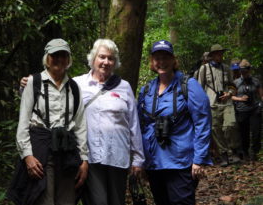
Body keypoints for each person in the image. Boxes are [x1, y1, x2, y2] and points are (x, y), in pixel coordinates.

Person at [20, 39, 145, 205]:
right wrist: (25, 85)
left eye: (110, 58)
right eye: (102, 57)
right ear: (93, 59)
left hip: (117, 156)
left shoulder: (123, 87)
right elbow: (46, 90)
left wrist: (138, 158)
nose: (106, 62)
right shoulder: (79, 83)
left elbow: (133, 125)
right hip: (89, 156)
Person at [8, 39, 88, 205]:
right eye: (55, 55)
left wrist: (84, 160)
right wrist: (27, 155)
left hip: (67, 151)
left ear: (69, 59)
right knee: (43, 198)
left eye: (63, 55)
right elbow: (23, 122)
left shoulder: (74, 87)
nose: (59, 59)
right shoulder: (34, 82)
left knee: (67, 200)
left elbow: (80, 126)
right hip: (41, 150)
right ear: (47, 58)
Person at [138, 40, 212, 205]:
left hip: (181, 162)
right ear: (152, 61)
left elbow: (202, 122)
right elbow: (141, 125)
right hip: (154, 162)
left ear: (173, 60)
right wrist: (140, 160)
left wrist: (199, 159)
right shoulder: (147, 90)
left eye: (166, 57)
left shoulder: (188, 85)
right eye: (157, 58)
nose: (162, 62)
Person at [195, 44, 240, 167]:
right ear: (212, 55)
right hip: (211, 103)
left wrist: (229, 93)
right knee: (216, 129)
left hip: (227, 102)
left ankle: (233, 151)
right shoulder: (204, 69)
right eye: (217, 53)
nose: (220, 55)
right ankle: (224, 154)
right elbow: (199, 88)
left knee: (230, 125)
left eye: (221, 53)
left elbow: (233, 86)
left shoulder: (227, 69)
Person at [231, 59, 263, 161]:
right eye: (242, 71)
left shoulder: (256, 81)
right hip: (242, 110)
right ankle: (245, 153)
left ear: (249, 70)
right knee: (244, 134)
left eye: (246, 71)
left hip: (254, 109)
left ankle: (255, 152)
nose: (244, 73)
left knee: (256, 133)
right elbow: (231, 96)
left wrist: (260, 104)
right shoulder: (236, 82)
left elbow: (261, 95)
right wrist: (240, 99)